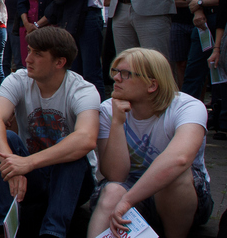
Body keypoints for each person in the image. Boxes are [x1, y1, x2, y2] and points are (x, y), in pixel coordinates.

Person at [0, 26, 99, 238]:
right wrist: (12, 164)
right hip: (31, 176)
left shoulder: (83, 90)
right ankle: (2, 228)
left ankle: (52, 233)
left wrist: (27, 163)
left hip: (73, 181)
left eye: (38, 54)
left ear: (59, 62)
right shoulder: (18, 79)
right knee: (5, 138)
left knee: (72, 149)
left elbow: (87, 138)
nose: (28, 59)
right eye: (29, 50)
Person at [87, 48, 211, 238]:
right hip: (129, 191)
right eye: (115, 72)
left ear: (152, 85)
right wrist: (117, 123)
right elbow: (115, 175)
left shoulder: (188, 107)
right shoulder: (108, 110)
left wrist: (128, 200)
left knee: (174, 176)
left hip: (183, 199)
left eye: (126, 74)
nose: (116, 79)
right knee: (111, 190)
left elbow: (180, 159)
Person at [170, 0, 203, 87]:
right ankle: (184, 94)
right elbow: (171, 1)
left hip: (201, 22)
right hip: (178, 23)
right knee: (181, 62)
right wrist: (195, 0)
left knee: (199, 63)